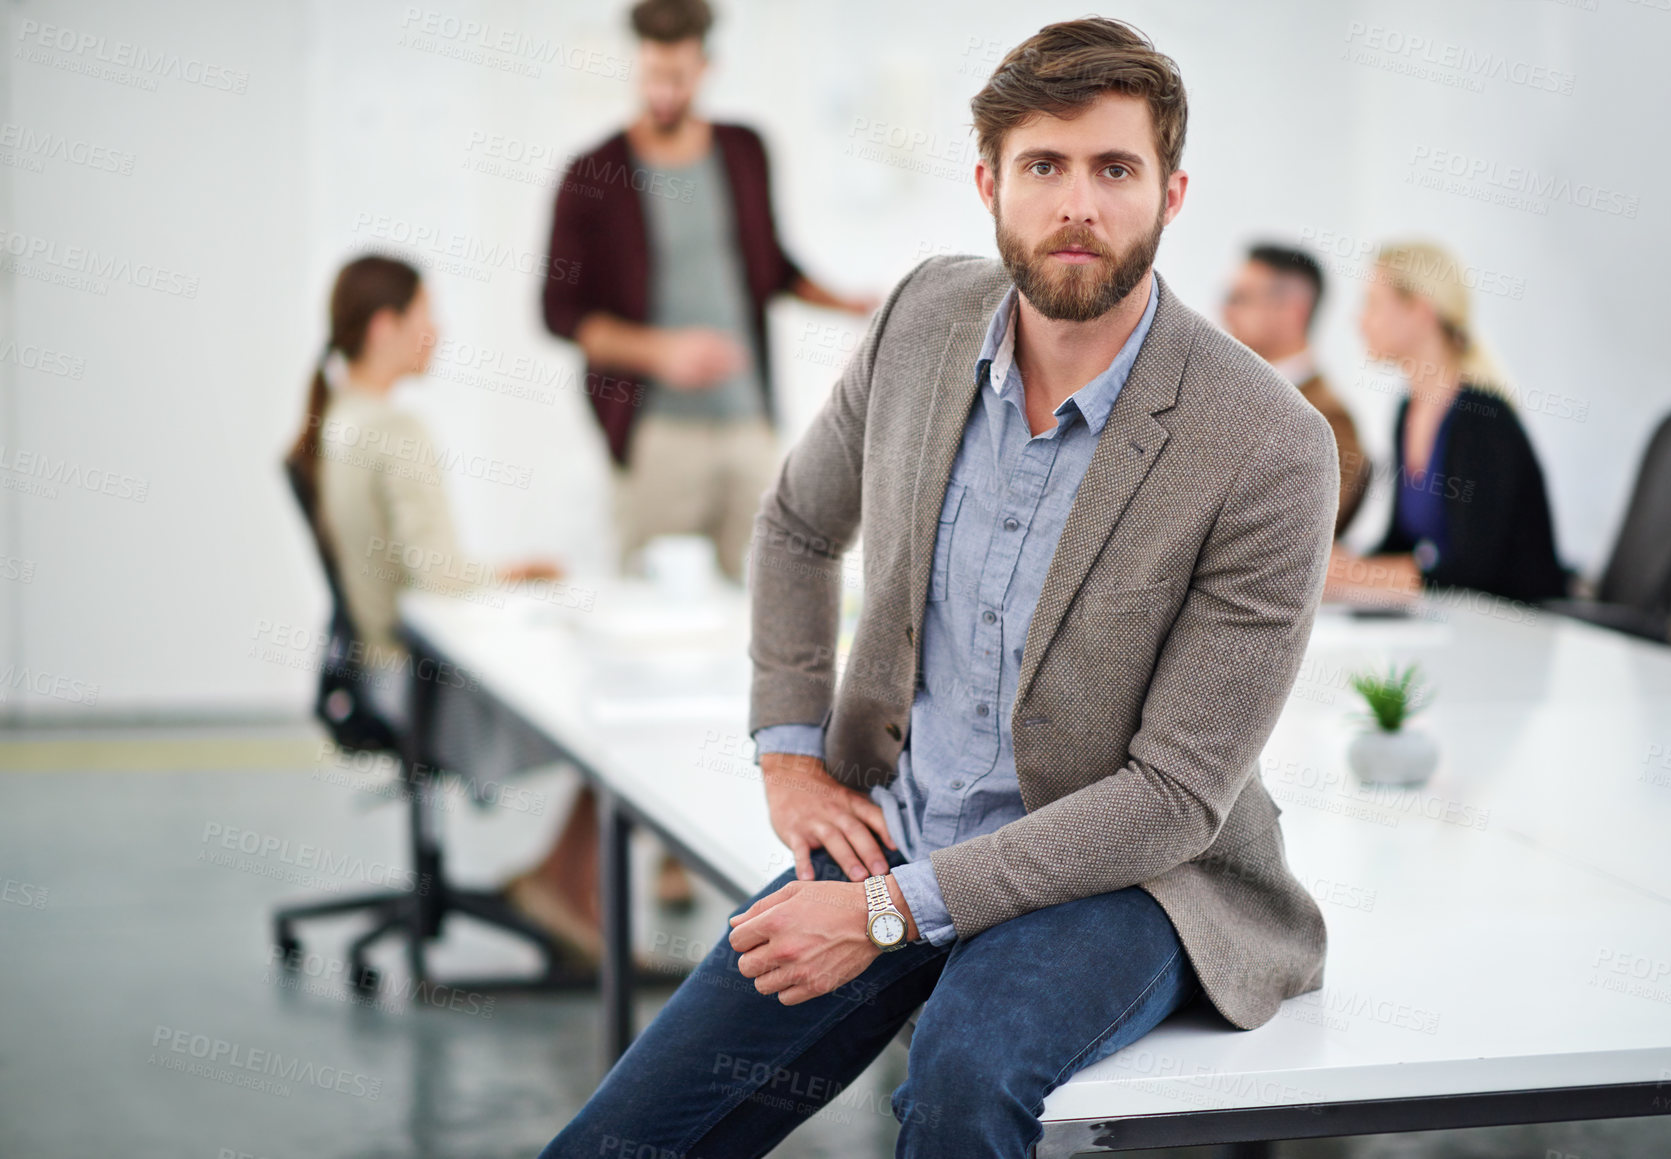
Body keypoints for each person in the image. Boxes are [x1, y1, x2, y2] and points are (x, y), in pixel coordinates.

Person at [541, 18, 1337, 1157]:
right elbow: (798, 523)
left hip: (1130, 877)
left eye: (1116, 169)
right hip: (899, 825)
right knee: (617, 1142)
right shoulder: (923, 318)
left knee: (961, 1085)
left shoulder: (1267, 442)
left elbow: (1172, 795)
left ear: (1172, 191)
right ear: (988, 184)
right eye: (1043, 167)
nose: (1078, 205)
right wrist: (789, 753)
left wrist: (882, 915)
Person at [287, 254, 606, 964]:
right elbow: (438, 578)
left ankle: (555, 881)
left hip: (373, 674)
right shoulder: (395, 432)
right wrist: (519, 585)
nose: (439, 333)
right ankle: (562, 886)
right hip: (414, 687)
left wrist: (498, 574)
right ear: (385, 325)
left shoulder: (338, 420)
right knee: (610, 719)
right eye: (427, 316)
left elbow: (414, 572)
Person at [541, 0, 873, 586]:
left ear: (705, 68)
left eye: (677, 76)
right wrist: (660, 352)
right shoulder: (592, 174)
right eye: (651, 76)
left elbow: (769, 266)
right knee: (650, 604)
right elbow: (560, 313)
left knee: (767, 599)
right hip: (654, 435)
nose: (662, 92)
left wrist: (846, 302)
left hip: (748, 424)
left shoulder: (745, 151)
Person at [1326, 240, 1567, 605]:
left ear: (1420, 311)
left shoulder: (1481, 418)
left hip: (1518, 629)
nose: (1359, 319)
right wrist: (1346, 564)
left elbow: (1473, 569)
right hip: (1458, 623)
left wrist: (1354, 575)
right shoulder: (1409, 410)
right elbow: (1402, 543)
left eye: (1373, 303)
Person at [1222, 243, 1371, 535]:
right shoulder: (1224, 393)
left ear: (1293, 312)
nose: (1225, 311)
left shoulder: (1329, 418)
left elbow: (1301, 532)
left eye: (1241, 299)